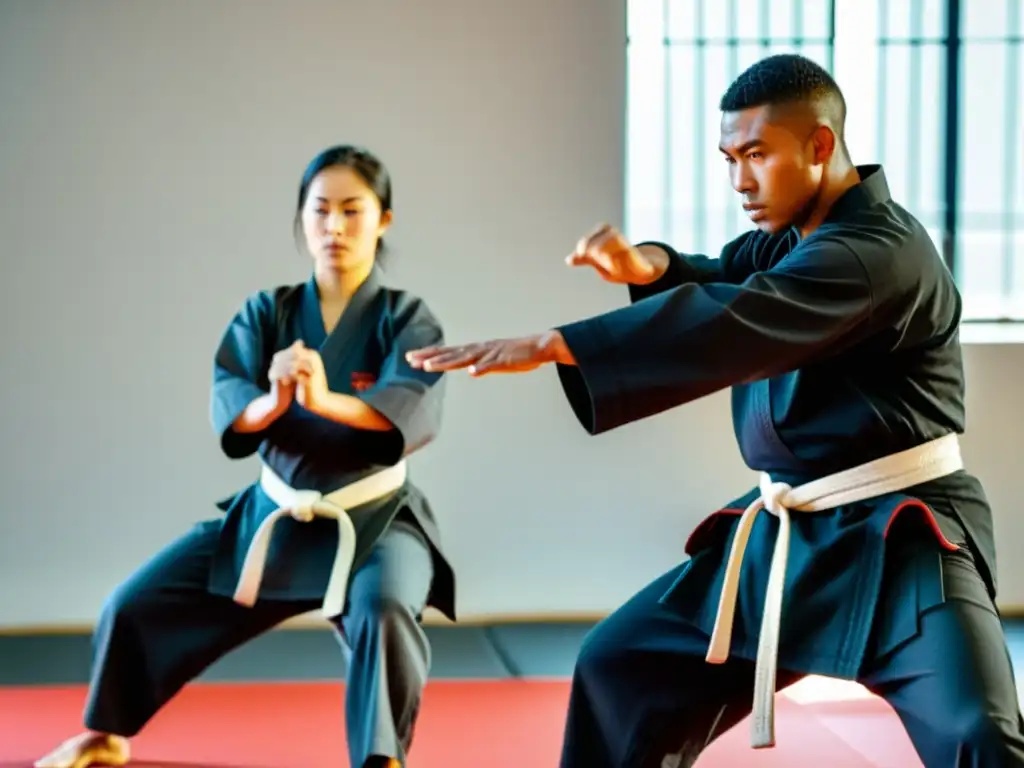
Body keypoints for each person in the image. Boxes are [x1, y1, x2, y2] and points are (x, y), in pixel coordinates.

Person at [407, 53, 1024, 768]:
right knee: (619, 669)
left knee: (977, 733)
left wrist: (559, 345)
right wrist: (653, 268)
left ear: (821, 146)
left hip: (903, 537)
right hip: (791, 536)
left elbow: (739, 316)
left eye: (757, 155)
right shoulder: (792, 241)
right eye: (729, 158)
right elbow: (729, 276)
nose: (740, 181)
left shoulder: (878, 252)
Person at [36, 144, 455, 768]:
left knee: (387, 609)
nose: (334, 226)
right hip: (274, 512)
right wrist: (279, 396)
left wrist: (326, 398)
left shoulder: (406, 318)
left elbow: (408, 410)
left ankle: (381, 761)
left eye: (352, 210)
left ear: (383, 219)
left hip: (374, 520)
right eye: (320, 210)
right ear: (301, 219)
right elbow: (234, 409)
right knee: (134, 603)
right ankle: (105, 734)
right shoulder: (268, 312)